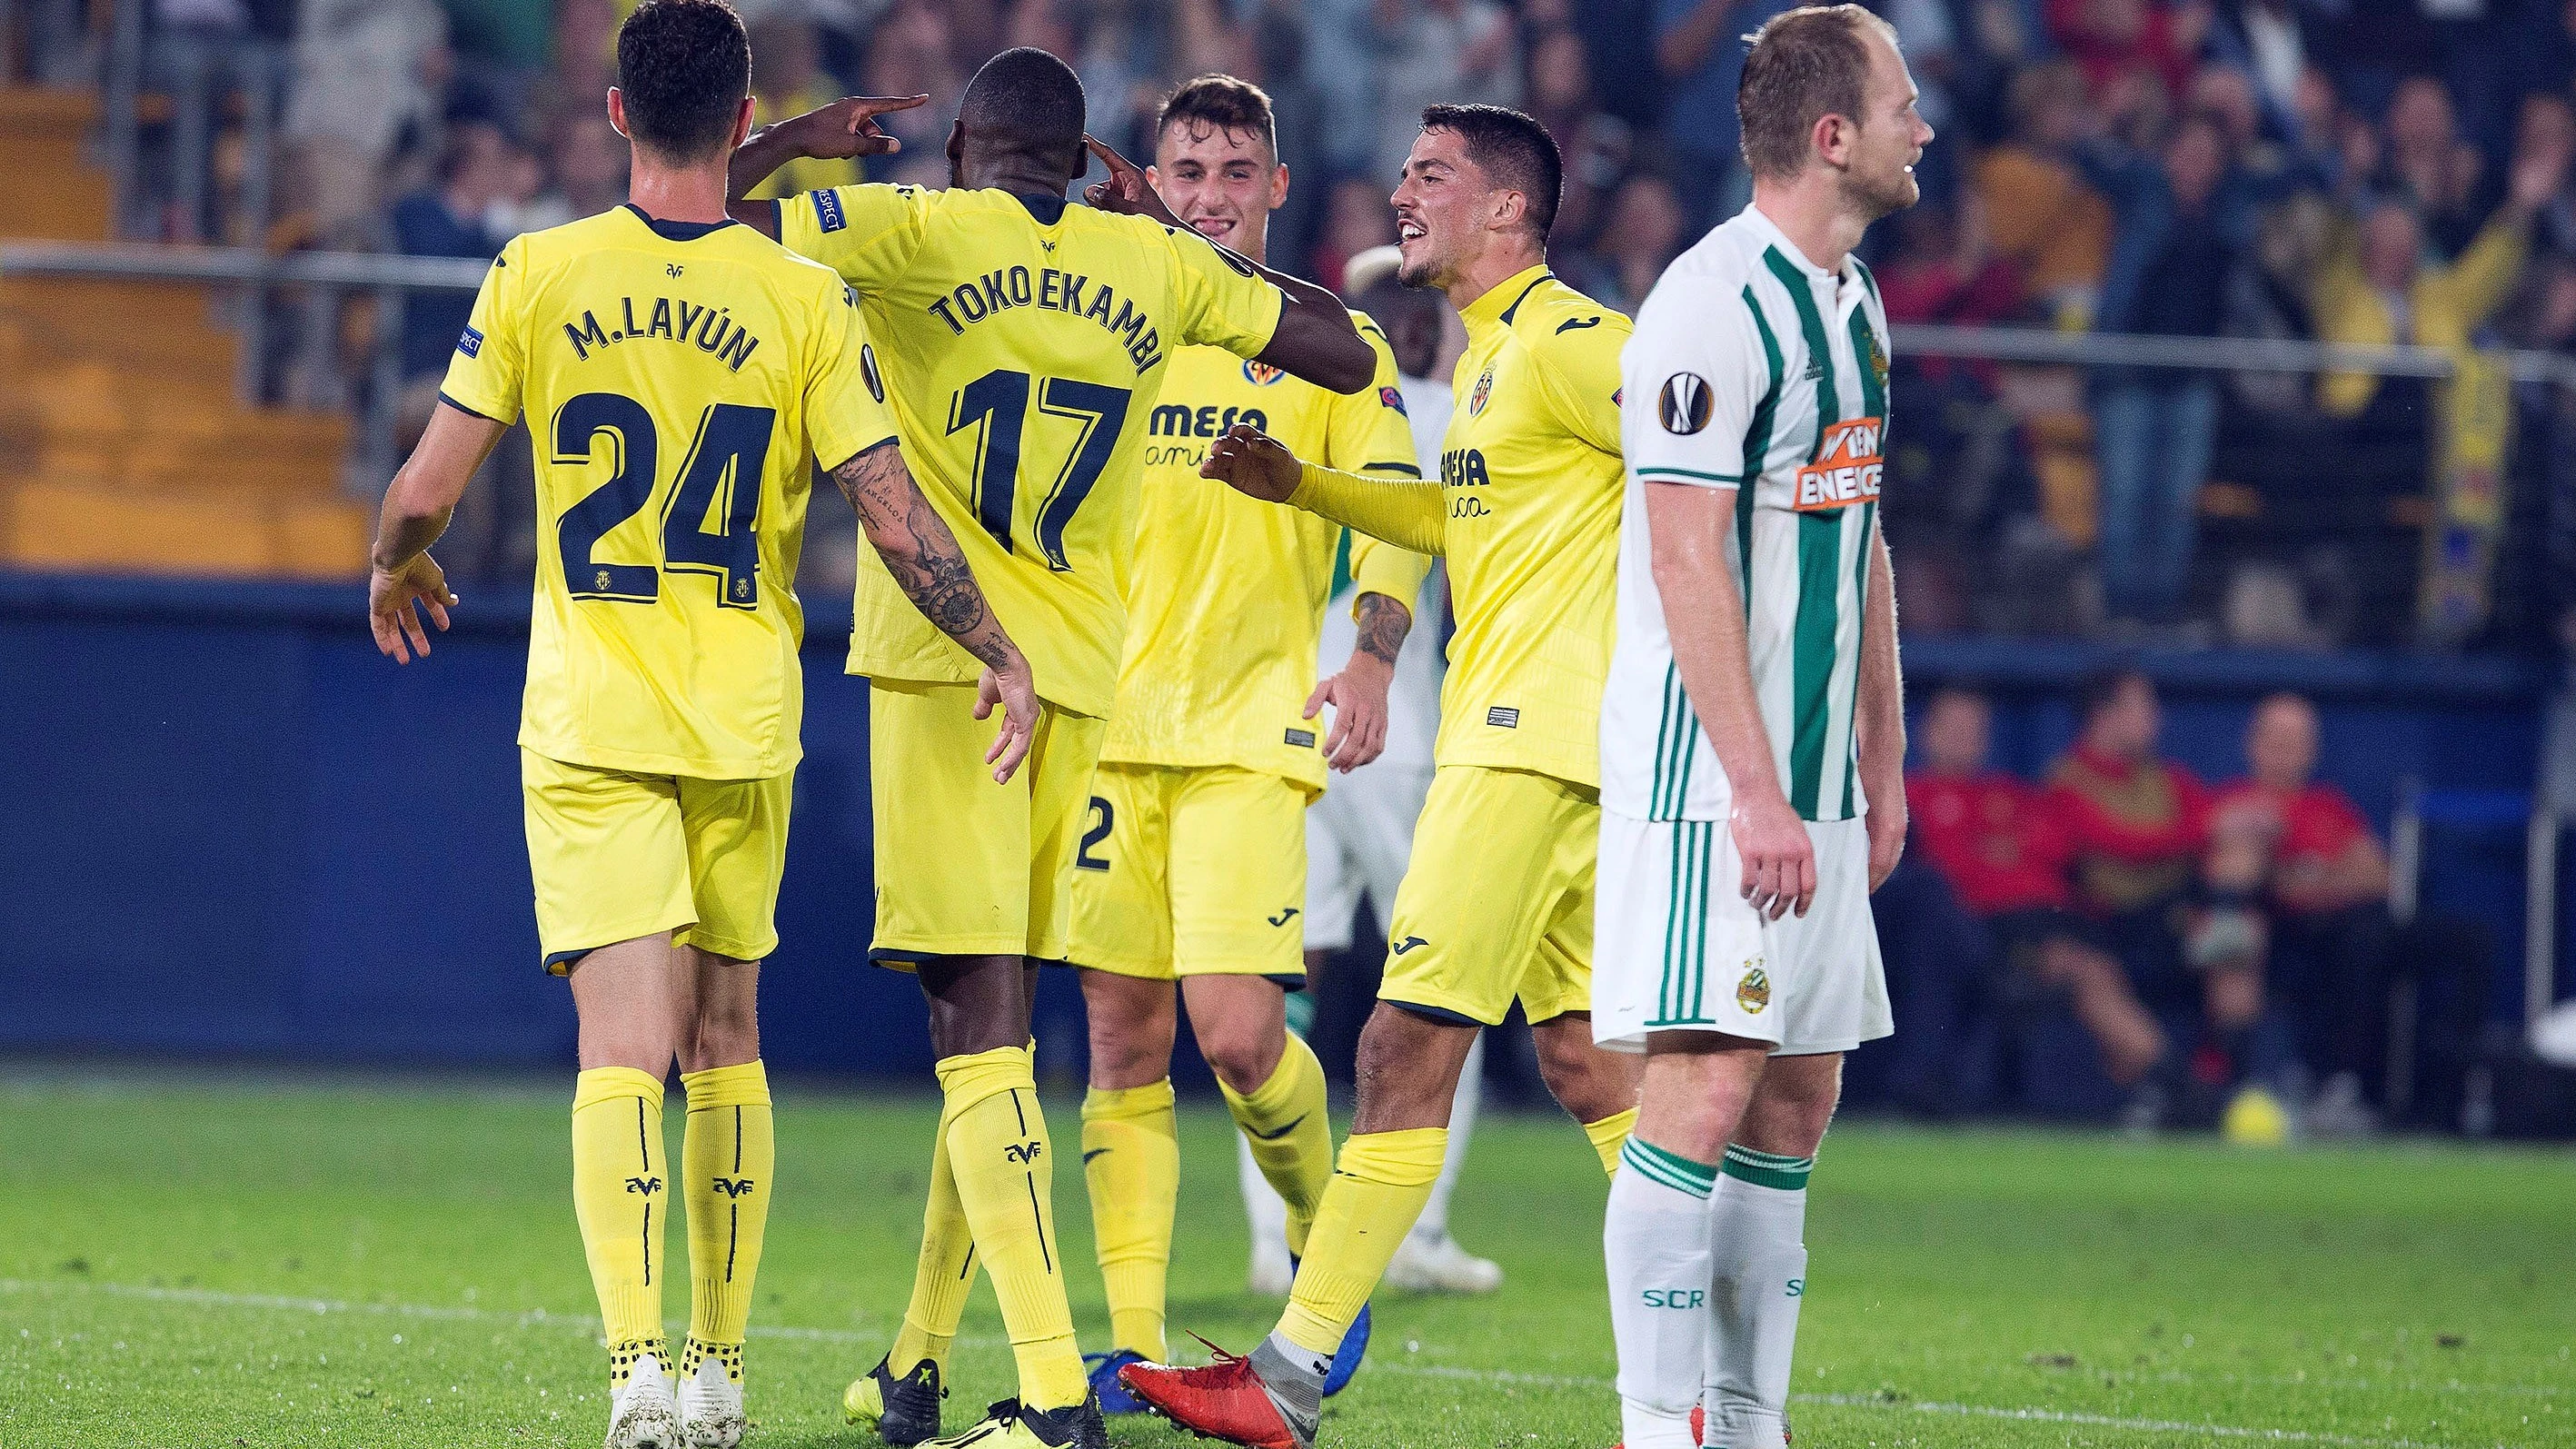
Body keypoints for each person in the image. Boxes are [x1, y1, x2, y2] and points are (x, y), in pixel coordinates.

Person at [362, 5, 1039, 1446]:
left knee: (622, 1048)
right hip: (742, 717)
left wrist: (394, 557)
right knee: (726, 1036)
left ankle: (636, 1381)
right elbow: (890, 509)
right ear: (745, 121)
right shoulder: (800, 296)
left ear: (613, 114)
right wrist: (998, 645)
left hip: (594, 712)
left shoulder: (538, 269)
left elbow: (425, 480)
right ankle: (722, 1370)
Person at [725, 47, 1375, 1449]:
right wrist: (1176, 251)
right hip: (1088, 680)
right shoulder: (1152, 266)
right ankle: (914, 1359)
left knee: (975, 1029)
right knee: (1007, 1025)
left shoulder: (908, 223)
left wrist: (794, 139)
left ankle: (1040, 1389)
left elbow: (686, 218)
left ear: (965, 143)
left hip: (949, 669)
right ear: (1087, 160)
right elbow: (1344, 347)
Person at [1119, 102, 1645, 1449]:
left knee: (1399, 1041)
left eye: (1431, 175)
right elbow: (1441, 515)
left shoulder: (1578, 342)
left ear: (1508, 210)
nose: (1400, 191)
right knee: (1587, 1065)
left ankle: (1288, 1369)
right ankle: (1710, 1322)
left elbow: (1709, 443)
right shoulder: (1485, 360)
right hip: (1544, 742)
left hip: (1524, 739)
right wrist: (1304, 482)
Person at [1057, 74, 1422, 1412]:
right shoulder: (1108, 321)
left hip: (1245, 728)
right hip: (1103, 723)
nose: (1206, 196)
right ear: (1151, 180)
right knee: (1116, 1032)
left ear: (1274, 187)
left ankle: (1334, 1269)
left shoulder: (1326, 344)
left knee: (1236, 1032)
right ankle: (1135, 1343)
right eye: (1185, 172)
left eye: (1231, 173)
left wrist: (1370, 658)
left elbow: (1393, 506)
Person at [1586, 8, 1925, 1446]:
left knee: (1796, 1093)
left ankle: (1748, 1413)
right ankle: (1654, 1422)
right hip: (1707, 779)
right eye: (1903, 100)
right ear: (1830, 134)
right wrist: (1754, 787)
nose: (1926, 125)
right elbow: (1681, 557)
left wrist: (1879, 758)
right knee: (1703, 1076)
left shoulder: (1852, 299)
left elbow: (1859, 541)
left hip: (1812, 785)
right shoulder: (1704, 307)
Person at [1270, 254, 1504, 1299]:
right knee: (1447, 972)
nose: (1415, 324)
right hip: (1394, 725)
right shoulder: (1460, 410)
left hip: (1292, 710)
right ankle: (1419, 1224)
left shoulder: (1311, 394)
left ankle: (1282, 1240)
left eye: (1420, 304)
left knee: (1294, 977)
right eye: (1400, 308)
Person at [1909, 688, 2176, 1121]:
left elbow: (2052, 850)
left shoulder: (2010, 794)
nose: (1967, 737)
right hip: (1984, 931)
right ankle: (2171, 1086)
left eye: (1976, 728)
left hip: (2052, 919)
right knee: (2086, 972)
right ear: (1927, 733)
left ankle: (2148, 1092)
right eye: (1955, 727)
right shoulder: (1911, 797)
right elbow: (1951, 872)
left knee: (2099, 968)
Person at [2212, 692, 2397, 1132]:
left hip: (2336, 933)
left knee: (2373, 934)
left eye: (2299, 740)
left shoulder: (2329, 807)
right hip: (2266, 931)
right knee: (2241, 931)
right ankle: (2255, 1082)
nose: (2288, 750)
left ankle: (2342, 1090)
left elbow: (2380, 876)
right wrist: (2318, 876)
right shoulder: (2231, 804)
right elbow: (2235, 873)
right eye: (2278, 738)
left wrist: (2305, 878)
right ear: (2252, 743)